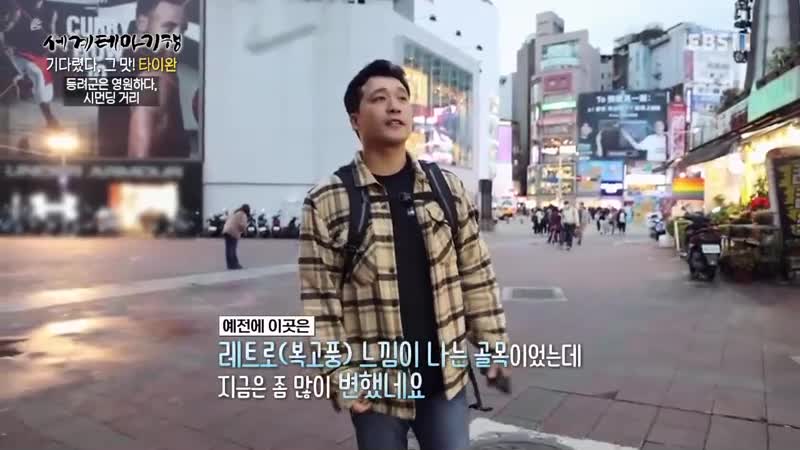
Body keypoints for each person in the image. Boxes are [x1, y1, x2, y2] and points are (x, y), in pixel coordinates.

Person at [298, 59, 510, 450]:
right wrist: (340, 375)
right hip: (376, 391)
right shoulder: (327, 199)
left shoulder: (446, 188)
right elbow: (320, 303)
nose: (394, 106)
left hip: (444, 381)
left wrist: (492, 346)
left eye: (401, 98)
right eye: (379, 98)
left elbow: (476, 274)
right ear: (355, 120)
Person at [98, 0, 190, 158]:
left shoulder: (157, 66)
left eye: (182, 30)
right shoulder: (150, 75)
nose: (177, 39)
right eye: (168, 28)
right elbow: (138, 156)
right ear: (142, 23)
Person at [0, 0, 60, 129]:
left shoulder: (49, 12)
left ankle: (48, 116)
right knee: (33, 75)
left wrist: (53, 42)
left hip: (28, 54)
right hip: (16, 53)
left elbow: (51, 34)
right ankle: (49, 118)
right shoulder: (16, 8)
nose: (10, 22)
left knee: (40, 81)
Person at [222, 203, 249, 270]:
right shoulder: (243, 214)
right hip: (233, 232)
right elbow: (242, 225)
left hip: (226, 230)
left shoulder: (235, 212)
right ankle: (234, 265)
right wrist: (245, 232)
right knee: (232, 249)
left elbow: (227, 219)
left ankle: (229, 265)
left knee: (228, 249)